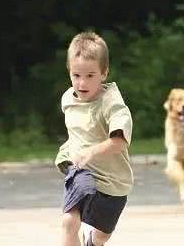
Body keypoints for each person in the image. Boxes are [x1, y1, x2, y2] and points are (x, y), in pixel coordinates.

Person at [54, 32, 133, 246]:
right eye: (76, 75)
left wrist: (91, 151)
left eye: (90, 75)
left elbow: (120, 141)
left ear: (104, 73)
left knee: (101, 235)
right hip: (81, 170)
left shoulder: (112, 104)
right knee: (69, 222)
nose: (82, 83)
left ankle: (92, 240)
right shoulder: (68, 99)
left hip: (113, 181)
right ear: (69, 72)